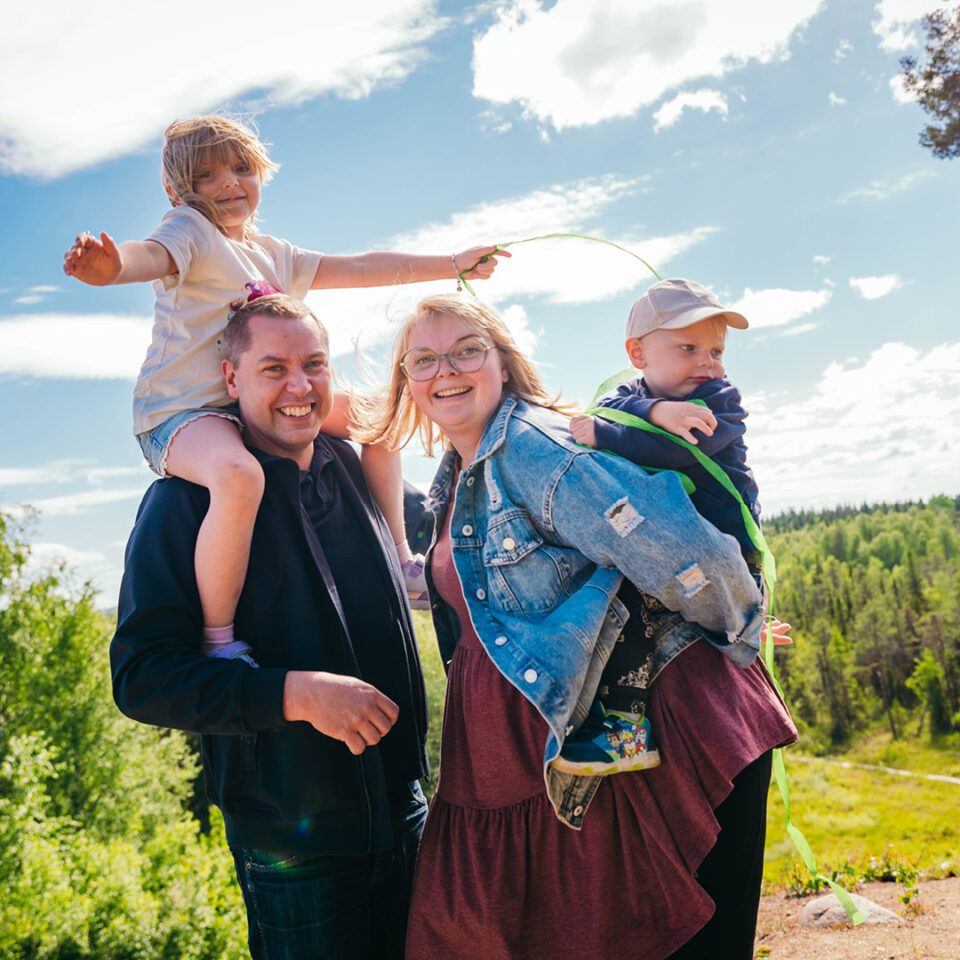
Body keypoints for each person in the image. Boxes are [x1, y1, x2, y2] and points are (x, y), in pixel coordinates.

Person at [354, 293, 797, 960]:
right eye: (424, 358)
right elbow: (484, 587)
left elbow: (694, 555)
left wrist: (740, 629)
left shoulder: (538, 449)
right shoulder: (458, 473)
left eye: (468, 350)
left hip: (659, 736)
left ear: (502, 362)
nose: (447, 369)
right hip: (524, 751)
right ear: (407, 381)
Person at [64, 113, 507, 657]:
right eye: (206, 176)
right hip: (181, 415)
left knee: (378, 417)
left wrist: (451, 263)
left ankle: (398, 556)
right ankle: (219, 640)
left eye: (241, 168)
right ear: (178, 190)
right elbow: (147, 256)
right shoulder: (189, 230)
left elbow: (363, 267)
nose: (228, 183)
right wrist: (111, 268)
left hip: (252, 404)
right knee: (238, 475)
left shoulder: (271, 253)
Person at [111, 294, 430, 960]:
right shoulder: (184, 501)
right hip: (291, 845)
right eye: (273, 368)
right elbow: (142, 678)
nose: (299, 386)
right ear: (231, 379)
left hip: (409, 814)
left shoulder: (355, 467)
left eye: (314, 364)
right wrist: (295, 695)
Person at [557, 276, 786, 775]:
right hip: (672, 547)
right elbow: (608, 406)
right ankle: (618, 721)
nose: (708, 362)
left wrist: (605, 434)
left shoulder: (720, 401)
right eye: (689, 348)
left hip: (728, 546)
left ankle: (626, 730)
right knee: (621, 605)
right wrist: (655, 408)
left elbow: (675, 450)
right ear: (638, 354)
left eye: (717, 350)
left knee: (639, 603)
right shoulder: (629, 397)